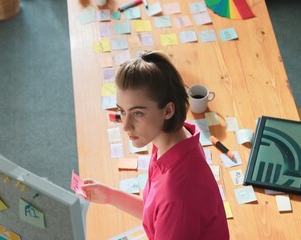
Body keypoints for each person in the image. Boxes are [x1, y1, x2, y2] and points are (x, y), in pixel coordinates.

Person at [81, 50, 230, 239]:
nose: (126, 126)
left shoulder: (178, 196)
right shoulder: (174, 140)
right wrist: (110, 196)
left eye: (138, 113)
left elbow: (170, 207)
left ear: (168, 110)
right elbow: (157, 213)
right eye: (123, 112)